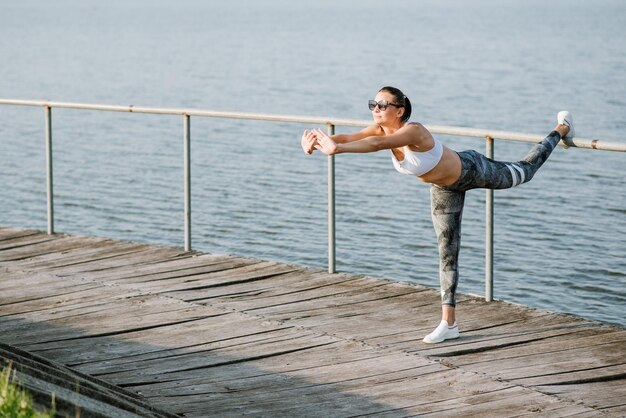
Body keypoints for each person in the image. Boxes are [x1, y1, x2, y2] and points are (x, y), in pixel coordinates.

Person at [300, 86, 574, 344]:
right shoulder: (380, 130)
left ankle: (561, 128)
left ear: (400, 110)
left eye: (382, 104)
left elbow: (373, 145)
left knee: (524, 172)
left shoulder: (413, 131)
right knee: (447, 250)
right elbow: (349, 137)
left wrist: (337, 150)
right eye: (373, 104)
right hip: (443, 187)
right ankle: (449, 324)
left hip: (472, 169)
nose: (376, 108)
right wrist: (316, 142)